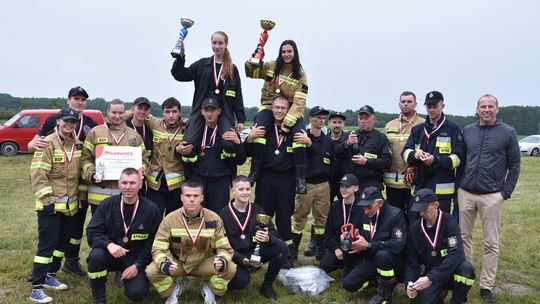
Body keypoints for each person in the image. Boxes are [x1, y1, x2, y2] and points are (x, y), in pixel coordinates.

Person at [28, 86, 99, 277]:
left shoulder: (91, 123)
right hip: (58, 187)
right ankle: (43, 273)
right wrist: (34, 145)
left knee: (74, 229)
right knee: (52, 235)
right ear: (68, 100)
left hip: (81, 187)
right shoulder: (54, 119)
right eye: (76, 98)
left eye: (83, 99)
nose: (79, 102)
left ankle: (70, 262)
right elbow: (32, 145)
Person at [458, 94, 520, 303]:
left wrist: (504, 193)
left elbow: (515, 165)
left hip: (492, 195)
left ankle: (486, 285)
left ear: (497, 109)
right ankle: (464, 279)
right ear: (476, 109)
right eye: (483, 106)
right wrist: (460, 185)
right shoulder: (468, 131)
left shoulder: (508, 133)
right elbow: (463, 159)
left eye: (490, 106)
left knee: (491, 242)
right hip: (466, 192)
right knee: (463, 238)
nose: (486, 110)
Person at [146, 180, 236, 304]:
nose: (192, 199)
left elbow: (224, 248)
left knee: (230, 268)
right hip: (178, 263)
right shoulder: (170, 219)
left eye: (196, 196)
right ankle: (172, 290)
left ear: (202, 197)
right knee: (152, 271)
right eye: (188, 196)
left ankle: (210, 289)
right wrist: (165, 263)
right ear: (182, 197)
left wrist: (222, 260)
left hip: (203, 261)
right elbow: (158, 248)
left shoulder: (214, 218)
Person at [28, 109, 83, 303]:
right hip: (50, 206)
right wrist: (47, 201)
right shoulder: (47, 142)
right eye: (66, 121)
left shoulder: (76, 144)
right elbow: (37, 175)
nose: (69, 124)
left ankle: (51, 275)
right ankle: (36, 287)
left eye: (73, 122)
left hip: (69, 208)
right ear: (58, 121)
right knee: (47, 246)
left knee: (62, 244)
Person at [244, 96, 305, 267]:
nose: (279, 111)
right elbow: (245, 152)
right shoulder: (264, 127)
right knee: (262, 218)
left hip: (286, 180)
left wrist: (309, 143)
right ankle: (257, 255)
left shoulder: (294, 130)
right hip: (265, 179)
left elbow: (308, 156)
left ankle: (286, 257)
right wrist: (249, 137)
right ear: (271, 109)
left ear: (288, 111)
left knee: (284, 220)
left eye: (283, 108)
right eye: (276, 107)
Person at [86, 168, 161, 303]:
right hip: (110, 254)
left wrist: (138, 265)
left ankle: (136, 281)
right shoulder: (106, 205)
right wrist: (108, 244)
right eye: (124, 183)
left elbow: (153, 243)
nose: (128, 187)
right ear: (119, 184)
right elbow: (92, 232)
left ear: (140, 184)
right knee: (96, 256)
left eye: (132, 183)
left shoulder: (152, 209)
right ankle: (99, 298)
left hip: (134, 257)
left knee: (137, 294)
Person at [245, 40, 308, 193]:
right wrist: (255, 57)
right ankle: (254, 171)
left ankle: (300, 179)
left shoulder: (301, 75)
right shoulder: (271, 66)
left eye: (289, 51)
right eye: (283, 51)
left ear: (295, 53)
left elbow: (300, 102)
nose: (286, 54)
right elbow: (251, 73)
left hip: (291, 110)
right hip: (268, 106)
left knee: (299, 137)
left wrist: (287, 124)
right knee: (259, 131)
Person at [171, 31, 245, 156]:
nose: (217, 46)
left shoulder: (232, 69)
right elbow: (180, 75)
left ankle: (224, 169)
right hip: (202, 110)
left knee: (229, 143)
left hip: (223, 112)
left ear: (226, 44)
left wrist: (241, 119)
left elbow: (238, 96)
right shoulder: (202, 64)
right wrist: (180, 56)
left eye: (220, 43)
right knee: (188, 144)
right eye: (214, 43)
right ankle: (192, 171)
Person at [219, 176, 289, 300]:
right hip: (235, 257)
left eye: (248, 189)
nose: (245, 193)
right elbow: (221, 246)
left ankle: (267, 286)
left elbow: (273, 231)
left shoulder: (258, 210)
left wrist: (268, 238)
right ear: (232, 190)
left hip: (254, 253)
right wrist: (241, 259)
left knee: (281, 247)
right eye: (241, 189)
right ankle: (236, 276)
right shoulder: (223, 214)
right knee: (240, 283)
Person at [405, 188, 475, 304]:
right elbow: (412, 261)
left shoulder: (449, 222)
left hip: (447, 272)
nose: (421, 214)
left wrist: (431, 278)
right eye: (419, 210)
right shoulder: (415, 228)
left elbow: (456, 255)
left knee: (466, 270)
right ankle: (438, 295)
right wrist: (410, 283)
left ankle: (457, 300)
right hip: (428, 274)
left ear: (435, 205)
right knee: (418, 302)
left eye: (424, 209)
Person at [81, 99, 149, 213]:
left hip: (126, 196)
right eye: (114, 112)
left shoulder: (134, 135)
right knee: (99, 229)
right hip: (99, 196)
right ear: (107, 112)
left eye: (120, 113)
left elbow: (144, 160)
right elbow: (84, 159)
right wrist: (92, 174)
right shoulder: (95, 133)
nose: (117, 116)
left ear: (125, 113)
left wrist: (140, 174)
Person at [341, 186, 407, 304]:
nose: (365, 211)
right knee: (347, 284)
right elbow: (358, 230)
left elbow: (398, 245)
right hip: (372, 261)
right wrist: (351, 237)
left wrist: (369, 245)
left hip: (393, 262)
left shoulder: (395, 215)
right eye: (363, 207)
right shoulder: (365, 214)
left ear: (380, 203)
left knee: (382, 255)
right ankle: (375, 282)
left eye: (368, 207)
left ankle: (386, 294)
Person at [180, 97, 246, 213]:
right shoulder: (194, 132)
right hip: (199, 179)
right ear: (202, 112)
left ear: (219, 111)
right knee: (197, 214)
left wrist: (238, 143)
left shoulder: (229, 133)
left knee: (218, 215)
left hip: (220, 181)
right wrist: (178, 149)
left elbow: (241, 160)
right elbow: (181, 152)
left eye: (213, 110)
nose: (209, 114)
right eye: (207, 110)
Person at [402, 91, 463, 214]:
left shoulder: (453, 129)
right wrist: (415, 155)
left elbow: (458, 158)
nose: (431, 110)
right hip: (419, 188)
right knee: (416, 226)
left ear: (442, 106)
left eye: (435, 106)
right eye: (429, 106)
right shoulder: (418, 130)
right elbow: (405, 152)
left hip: (441, 192)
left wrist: (435, 160)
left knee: (440, 227)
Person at [127, 97, 189, 216]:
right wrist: (115, 119)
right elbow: (137, 113)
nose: (170, 115)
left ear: (180, 112)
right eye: (167, 111)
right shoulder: (155, 123)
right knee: (153, 217)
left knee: (173, 219)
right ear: (162, 112)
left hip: (176, 186)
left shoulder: (186, 127)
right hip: (155, 185)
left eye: (174, 112)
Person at [290, 106, 333, 261]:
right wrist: (308, 143)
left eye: (323, 118)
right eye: (318, 117)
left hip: (323, 185)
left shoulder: (327, 141)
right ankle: (293, 250)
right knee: (299, 217)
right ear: (311, 118)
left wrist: (311, 145)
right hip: (305, 185)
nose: (321, 121)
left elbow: (325, 159)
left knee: (322, 219)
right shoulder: (302, 136)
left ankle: (320, 249)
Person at [383, 91, 424, 213]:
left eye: (409, 101)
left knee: (413, 216)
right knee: (395, 217)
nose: (406, 104)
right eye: (403, 101)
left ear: (415, 104)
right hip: (392, 184)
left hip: (414, 181)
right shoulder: (389, 125)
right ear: (399, 104)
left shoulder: (423, 124)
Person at [335, 105, 392, 192]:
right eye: (360, 118)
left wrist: (367, 161)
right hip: (349, 183)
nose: (363, 121)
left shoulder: (380, 138)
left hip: (370, 184)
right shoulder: (349, 135)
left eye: (366, 118)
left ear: (374, 119)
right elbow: (336, 152)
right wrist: (347, 143)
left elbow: (387, 162)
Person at [319, 174, 363, 276]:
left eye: (347, 187)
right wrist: (336, 249)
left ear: (355, 188)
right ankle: (343, 262)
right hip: (340, 246)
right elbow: (328, 233)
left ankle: (354, 264)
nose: (343, 189)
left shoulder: (363, 206)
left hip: (357, 247)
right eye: (341, 186)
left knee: (350, 275)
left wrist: (359, 245)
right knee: (324, 266)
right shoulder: (335, 206)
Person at [327, 111, 347, 203]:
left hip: (345, 182)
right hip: (327, 183)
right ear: (329, 124)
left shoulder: (350, 141)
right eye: (334, 122)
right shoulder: (323, 140)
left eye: (340, 122)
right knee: (325, 211)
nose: (337, 125)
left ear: (344, 124)